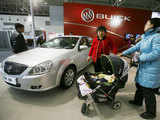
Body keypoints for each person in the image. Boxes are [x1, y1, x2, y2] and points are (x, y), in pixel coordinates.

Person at [122, 18, 160, 119]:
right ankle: (137, 101)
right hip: (144, 67)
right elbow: (135, 47)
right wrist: (123, 53)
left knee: (148, 91)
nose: (145, 25)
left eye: (147, 23)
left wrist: (140, 58)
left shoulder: (157, 37)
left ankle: (151, 113)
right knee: (139, 85)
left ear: (152, 26)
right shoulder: (146, 37)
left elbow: (157, 53)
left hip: (151, 69)